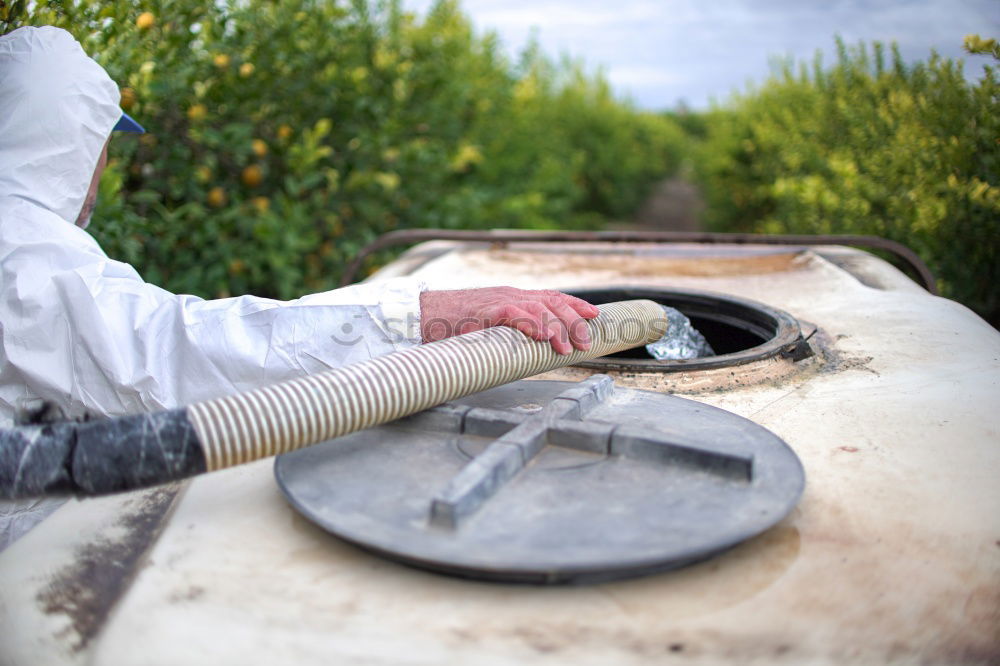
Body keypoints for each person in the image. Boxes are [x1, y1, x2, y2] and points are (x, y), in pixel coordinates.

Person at [0, 26, 599, 549]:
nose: (105, 166)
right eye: (103, 143)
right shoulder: (23, 252)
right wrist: (420, 317)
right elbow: (164, 356)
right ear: (70, 139)